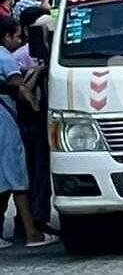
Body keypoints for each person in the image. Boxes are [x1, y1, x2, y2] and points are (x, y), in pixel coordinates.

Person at [0, 16, 58, 248]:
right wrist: (33, 102)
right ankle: (33, 233)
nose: (20, 40)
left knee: (4, 179)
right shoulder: (5, 57)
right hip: (7, 123)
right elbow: (19, 85)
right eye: (17, 36)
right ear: (6, 37)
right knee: (18, 179)